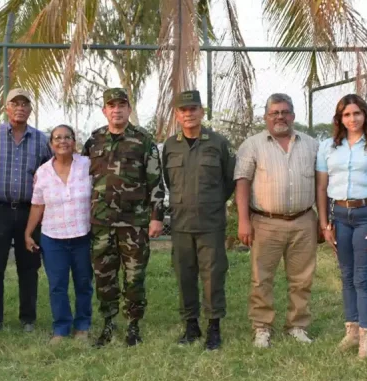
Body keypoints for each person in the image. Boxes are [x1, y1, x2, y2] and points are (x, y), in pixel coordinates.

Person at [315, 94, 367, 360]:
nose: (352, 119)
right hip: (339, 215)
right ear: (340, 118)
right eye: (346, 115)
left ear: (365, 114)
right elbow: (321, 187)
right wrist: (324, 224)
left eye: (357, 113)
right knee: (346, 275)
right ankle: (350, 331)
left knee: (362, 278)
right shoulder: (329, 146)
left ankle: (366, 338)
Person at [81, 87, 165, 347]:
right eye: (111, 105)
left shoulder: (143, 140)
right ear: (104, 110)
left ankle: (133, 325)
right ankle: (107, 323)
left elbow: (155, 181)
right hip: (101, 223)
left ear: (129, 109)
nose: (116, 110)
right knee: (104, 276)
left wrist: (156, 217)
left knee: (133, 277)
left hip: (134, 223)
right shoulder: (93, 141)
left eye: (121, 105)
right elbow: (81, 182)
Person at [234, 93, 319, 348]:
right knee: (262, 278)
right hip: (265, 222)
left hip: (304, 221)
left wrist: (323, 221)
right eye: (274, 113)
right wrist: (243, 221)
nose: (280, 117)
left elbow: (322, 184)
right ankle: (262, 327)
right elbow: (242, 183)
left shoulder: (311, 144)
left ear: (293, 115)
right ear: (266, 117)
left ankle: (297, 325)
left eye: (284, 112)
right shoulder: (252, 145)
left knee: (302, 278)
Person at [161, 90, 235, 350]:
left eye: (193, 109)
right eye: (183, 110)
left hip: (210, 223)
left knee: (213, 275)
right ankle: (191, 325)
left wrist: (210, 202)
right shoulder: (170, 146)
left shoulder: (218, 143)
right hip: (181, 223)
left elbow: (229, 181)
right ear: (177, 115)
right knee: (184, 275)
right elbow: (169, 181)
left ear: (202, 112)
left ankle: (214, 327)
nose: (189, 114)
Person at [0, 88, 52, 331]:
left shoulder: (41, 140)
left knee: (29, 267)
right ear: (6, 108)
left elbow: (50, 175)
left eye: (25, 104)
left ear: (30, 109)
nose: (20, 108)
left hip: (31, 212)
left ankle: (27, 318)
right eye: (14, 103)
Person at [24, 125, 93, 345]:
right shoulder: (43, 172)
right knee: (57, 285)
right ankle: (61, 328)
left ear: (74, 142)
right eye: (57, 138)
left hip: (82, 235)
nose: (62, 141)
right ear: (51, 144)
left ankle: (82, 326)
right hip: (53, 238)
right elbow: (37, 206)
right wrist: (28, 233)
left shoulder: (87, 165)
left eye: (67, 137)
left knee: (83, 282)